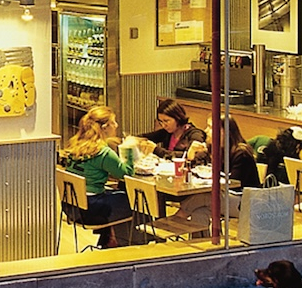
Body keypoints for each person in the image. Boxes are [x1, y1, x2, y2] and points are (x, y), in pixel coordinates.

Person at [59, 105, 135, 248]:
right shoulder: (103, 152)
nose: (116, 125)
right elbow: (126, 174)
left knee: (117, 195)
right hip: (91, 209)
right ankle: (123, 243)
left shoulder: (76, 144)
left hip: (71, 206)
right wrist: (129, 149)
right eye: (113, 122)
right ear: (105, 127)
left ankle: (109, 239)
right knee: (138, 203)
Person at [143, 97, 208, 162]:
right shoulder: (168, 132)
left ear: (177, 118)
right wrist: (136, 140)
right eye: (161, 121)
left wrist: (156, 150)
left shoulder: (195, 134)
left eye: (166, 121)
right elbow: (146, 137)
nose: (163, 125)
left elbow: (189, 156)